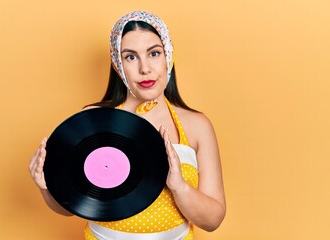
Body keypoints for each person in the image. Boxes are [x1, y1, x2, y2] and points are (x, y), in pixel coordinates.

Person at [29, 10, 226, 240]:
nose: (145, 68)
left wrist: (179, 186)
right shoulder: (93, 121)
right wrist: (46, 187)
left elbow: (213, 221)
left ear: (168, 57)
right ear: (117, 65)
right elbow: (72, 205)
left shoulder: (197, 125)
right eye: (130, 57)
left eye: (154, 53)